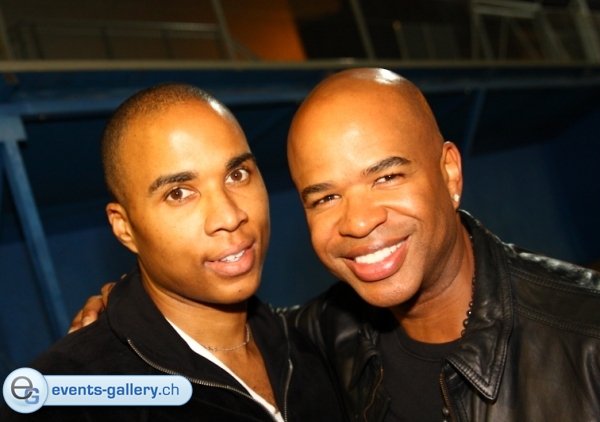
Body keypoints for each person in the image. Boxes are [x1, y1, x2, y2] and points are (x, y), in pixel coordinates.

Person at [71, 69, 600, 422]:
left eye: (387, 177)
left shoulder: (585, 335)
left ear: (449, 172)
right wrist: (126, 314)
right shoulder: (324, 339)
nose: (360, 221)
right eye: (325, 197)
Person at [0, 83, 345, 421]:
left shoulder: (321, 345)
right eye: (178, 193)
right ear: (124, 227)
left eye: (237, 174)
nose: (229, 216)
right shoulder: (67, 396)